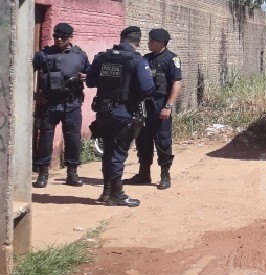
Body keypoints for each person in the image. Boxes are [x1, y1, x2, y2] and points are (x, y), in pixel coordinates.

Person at [85, 26, 155, 207]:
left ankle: (107, 191)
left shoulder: (102, 57)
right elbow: (147, 88)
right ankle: (116, 194)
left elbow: (90, 81)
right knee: (117, 153)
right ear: (138, 42)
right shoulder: (137, 60)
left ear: (121, 38)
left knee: (108, 151)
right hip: (123, 113)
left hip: (103, 112)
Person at [31, 22, 91, 188]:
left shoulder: (80, 55)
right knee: (45, 139)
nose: (58, 39)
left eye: (63, 37)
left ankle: (72, 173)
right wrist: (34, 95)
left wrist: (86, 77)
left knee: (73, 139)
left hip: (72, 104)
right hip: (50, 103)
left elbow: (90, 73)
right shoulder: (43, 55)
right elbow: (24, 72)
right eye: (56, 36)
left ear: (71, 37)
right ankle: (42, 173)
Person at [130, 28, 182, 190]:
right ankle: (144, 173)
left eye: (151, 41)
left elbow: (176, 83)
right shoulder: (145, 59)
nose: (148, 43)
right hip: (144, 105)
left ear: (161, 43)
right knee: (142, 139)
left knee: (163, 140)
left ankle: (165, 175)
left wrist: (168, 105)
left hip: (161, 104)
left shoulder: (170, 59)